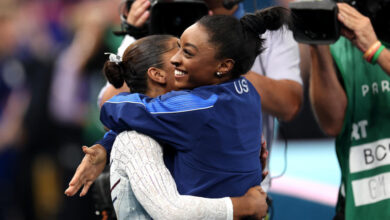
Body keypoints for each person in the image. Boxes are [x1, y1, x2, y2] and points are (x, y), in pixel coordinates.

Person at [67, 34, 268, 219]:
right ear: (157, 74)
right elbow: (172, 212)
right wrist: (246, 205)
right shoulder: (134, 140)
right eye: (179, 49)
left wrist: (244, 167)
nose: (188, 57)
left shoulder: (193, 121)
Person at [309, 2, 390, 220]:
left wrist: (376, 50)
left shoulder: (369, 41)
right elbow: (332, 123)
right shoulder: (345, 40)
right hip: (362, 205)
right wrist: (318, 46)